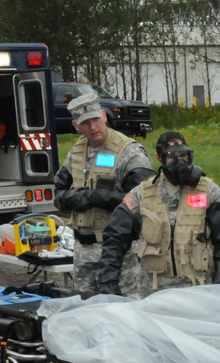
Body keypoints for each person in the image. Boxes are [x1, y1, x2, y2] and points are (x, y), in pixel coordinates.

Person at [97, 131, 220, 294]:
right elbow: (115, 237)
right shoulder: (142, 194)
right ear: (159, 159)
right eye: (172, 156)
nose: (179, 161)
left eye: (183, 155)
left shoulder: (208, 191)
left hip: (200, 290)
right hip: (155, 292)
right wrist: (108, 281)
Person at [53, 92, 155, 296]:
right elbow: (58, 193)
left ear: (104, 116)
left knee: (121, 313)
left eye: (95, 119)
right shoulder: (77, 151)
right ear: (75, 126)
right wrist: (72, 199)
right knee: (85, 313)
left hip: (118, 252)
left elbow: (146, 200)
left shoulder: (130, 152)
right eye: (85, 123)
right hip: (83, 250)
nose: (92, 127)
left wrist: (95, 197)